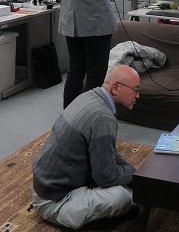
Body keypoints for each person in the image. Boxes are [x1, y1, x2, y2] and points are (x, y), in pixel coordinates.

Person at [32, 64, 141, 229]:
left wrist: (133, 173)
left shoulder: (90, 96)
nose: (138, 95)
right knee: (124, 197)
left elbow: (109, 154)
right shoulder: (102, 117)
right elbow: (106, 177)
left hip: (47, 187)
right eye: (135, 89)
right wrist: (133, 175)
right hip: (55, 201)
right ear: (116, 88)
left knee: (122, 178)